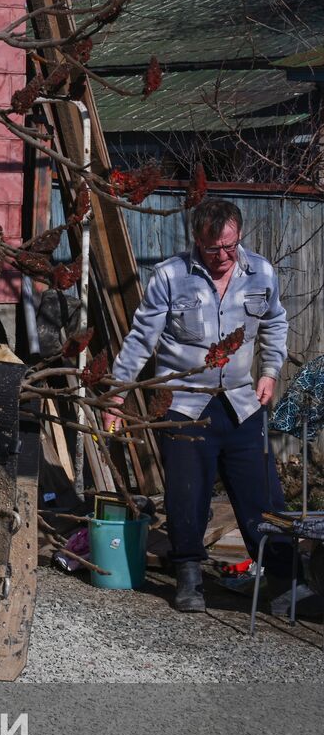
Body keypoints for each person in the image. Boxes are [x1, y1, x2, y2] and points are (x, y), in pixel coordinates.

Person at [105, 198, 294, 612]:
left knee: (263, 494)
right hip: (185, 406)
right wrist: (116, 393)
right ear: (197, 239)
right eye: (213, 249)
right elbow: (141, 339)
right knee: (186, 494)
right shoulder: (170, 276)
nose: (223, 256)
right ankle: (189, 576)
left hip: (242, 402)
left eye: (230, 246)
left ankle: (283, 579)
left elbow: (275, 322)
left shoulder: (261, 272)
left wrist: (269, 371)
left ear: (238, 236)